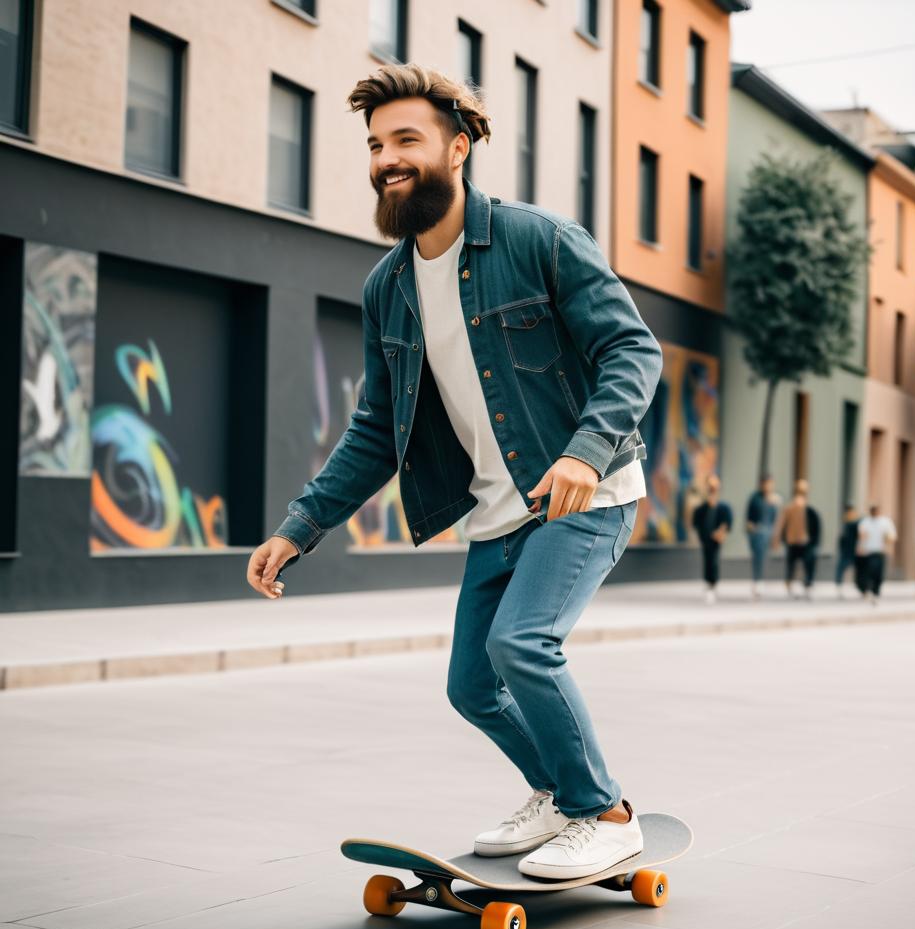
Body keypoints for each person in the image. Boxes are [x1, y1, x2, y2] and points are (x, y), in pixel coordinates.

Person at [245, 65, 661, 882]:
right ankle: (555, 789)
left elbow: (631, 349)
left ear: (458, 147)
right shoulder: (387, 287)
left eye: (406, 140)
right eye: (375, 145)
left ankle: (605, 812)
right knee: (471, 685)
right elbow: (375, 428)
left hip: (589, 493)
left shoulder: (538, 240)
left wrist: (586, 448)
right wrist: (300, 526)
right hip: (498, 513)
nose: (386, 160)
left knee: (522, 645)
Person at [772, 479, 821, 600]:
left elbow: (815, 526)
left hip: (803, 542)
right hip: (793, 541)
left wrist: (814, 542)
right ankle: (792, 584)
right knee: (792, 564)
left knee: (806, 563)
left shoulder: (808, 509)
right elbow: (781, 524)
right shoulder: (792, 508)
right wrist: (778, 539)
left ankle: (806, 584)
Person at [693, 475, 732, 604]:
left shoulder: (723, 507)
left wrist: (722, 531)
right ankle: (709, 583)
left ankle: (713, 584)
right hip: (706, 537)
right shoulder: (702, 507)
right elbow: (696, 521)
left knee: (714, 559)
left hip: (716, 538)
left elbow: (727, 521)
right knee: (708, 559)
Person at [745, 473, 780, 599]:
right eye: (766, 483)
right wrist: (752, 532)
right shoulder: (755, 498)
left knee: (764, 557)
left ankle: (760, 581)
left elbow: (775, 519)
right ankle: (757, 581)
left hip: (768, 532)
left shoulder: (774, 499)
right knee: (758, 557)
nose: (768, 486)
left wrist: (776, 535)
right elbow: (749, 519)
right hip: (757, 533)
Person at [857, 504, 897, 604]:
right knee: (869, 571)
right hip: (868, 551)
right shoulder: (865, 522)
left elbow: (891, 536)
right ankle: (868, 589)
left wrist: (888, 545)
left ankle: (876, 591)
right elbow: (862, 535)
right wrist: (860, 547)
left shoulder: (885, 522)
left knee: (878, 573)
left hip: (880, 551)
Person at [835, 504, 861, 599]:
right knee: (841, 567)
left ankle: (860, 586)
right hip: (847, 549)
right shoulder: (847, 521)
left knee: (857, 568)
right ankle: (839, 585)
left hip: (853, 549)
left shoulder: (854, 521)